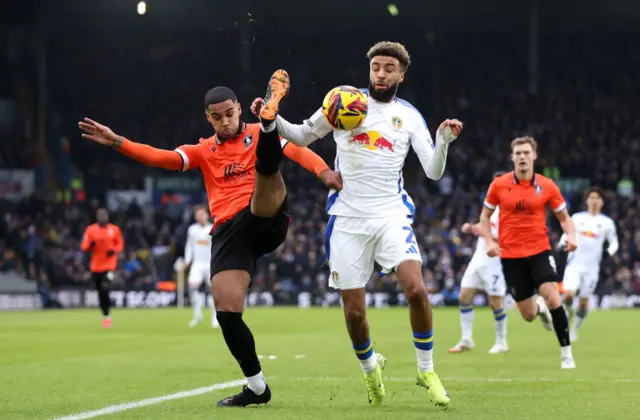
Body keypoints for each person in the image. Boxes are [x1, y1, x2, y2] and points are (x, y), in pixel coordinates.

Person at [78, 71, 342, 407]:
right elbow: (160, 157)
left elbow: (301, 154)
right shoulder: (203, 150)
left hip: (266, 215)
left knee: (266, 164)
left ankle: (271, 120)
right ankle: (257, 388)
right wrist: (118, 141)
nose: (225, 121)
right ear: (208, 118)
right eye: (217, 117)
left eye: (230, 114)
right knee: (227, 314)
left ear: (238, 110)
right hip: (230, 232)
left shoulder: (251, 133)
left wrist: (324, 174)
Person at [251, 42, 458, 408]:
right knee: (355, 312)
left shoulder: (409, 116)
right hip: (347, 219)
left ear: (401, 75)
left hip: (391, 214)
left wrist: (442, 141)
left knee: (417, 291)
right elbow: (300, 135)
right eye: (376, 67)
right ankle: (370, 371)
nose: (381, 73)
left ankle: (426, 370)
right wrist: (271, 118)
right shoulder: (341, 102)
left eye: (389, 68)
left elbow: (433, 171)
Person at [480, 136, 578, 369]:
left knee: (552, 296)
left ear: (534, 156)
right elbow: (484, 217)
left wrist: (572, 236)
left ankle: (566, 354)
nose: (522, 157)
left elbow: (564, 218)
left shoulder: (547, 185)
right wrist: (488, 242)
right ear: (512, 157)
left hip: (539, 251)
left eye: (526, 153)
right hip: (510, 256)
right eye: (518, 153)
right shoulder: (499, 185)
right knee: (527, 314)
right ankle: (539, 309)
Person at [449, 172, 508, 355]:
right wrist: (473, 228)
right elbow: (485, 228)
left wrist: (481, 232)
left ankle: (501, 342)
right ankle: (466, 339)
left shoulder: (509, 211)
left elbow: (509, 238)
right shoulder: (489, 209)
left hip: (496, 262)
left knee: (494, 302)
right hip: (479, 258)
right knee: (464, 296)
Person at [558, 186, 618, 342]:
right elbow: (567, 233)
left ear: (602, 202)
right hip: (575, 264)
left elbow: (614, 242)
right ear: (587, 201)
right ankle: (569, 310)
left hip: (592, 268)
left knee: (584, 302)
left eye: (597, 198)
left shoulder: (606, 223)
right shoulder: (577, 218)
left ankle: (574, 330)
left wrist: (609, 252)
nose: (594, 201)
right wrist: (562, 243)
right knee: (569, 294)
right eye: (591, 197)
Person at [80, 208, 124, 328]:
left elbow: (120, 244)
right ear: (97, 217)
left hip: (110, 264)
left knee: (105, 286)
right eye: (100, 216)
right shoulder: (91, 230)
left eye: (104, 216)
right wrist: (90, 245)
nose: (103, 218)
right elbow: (83, 246)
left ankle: (108, 310)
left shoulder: (114, 229)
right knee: (101, 291)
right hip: (96, 266)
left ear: (108, 217)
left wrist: (114, 250)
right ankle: (106, 315)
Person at [184, 204, 217, 328]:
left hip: (210, 264)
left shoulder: (213, 228)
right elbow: (189, 246)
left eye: (202, 214)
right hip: (197, 264)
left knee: (213, 291)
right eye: (198, 215)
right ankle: (197, 315)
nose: (200, 216)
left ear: (207, 215)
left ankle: (215, 318)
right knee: (192, 288)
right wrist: (188, 260)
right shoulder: (192, 230)